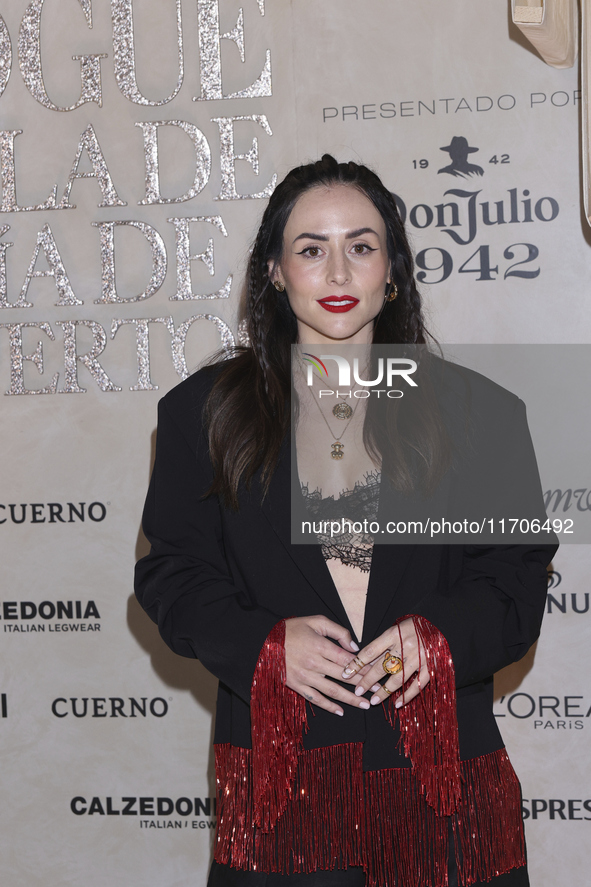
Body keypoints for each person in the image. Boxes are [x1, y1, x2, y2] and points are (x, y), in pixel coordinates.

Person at [135, 155, 557, 887]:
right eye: (310, 249)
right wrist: (265, 645)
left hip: (442, 797)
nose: (336, 272)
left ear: (390, 270)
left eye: (360, 246)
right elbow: (171, 574)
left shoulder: (479, 414)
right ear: (273, 270)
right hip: (284, 800)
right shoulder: (200, 414)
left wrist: (439, 637)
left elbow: (513, 581)